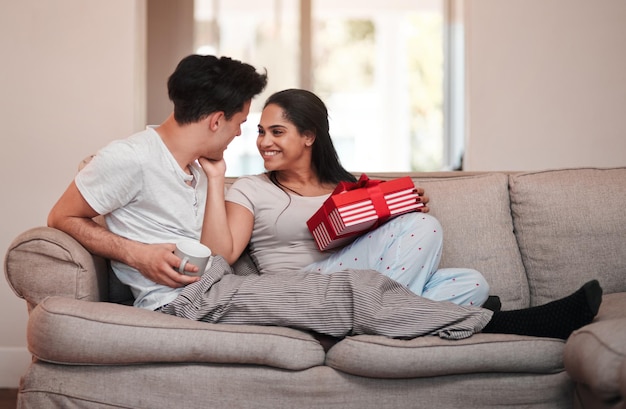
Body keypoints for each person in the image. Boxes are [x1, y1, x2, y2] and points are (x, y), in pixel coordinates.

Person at [48, 55, 601, 342]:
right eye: (243, 122)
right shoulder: (130, 157)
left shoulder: (195, 165)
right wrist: (136, 255)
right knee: (353, 291)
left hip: (221, 287)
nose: (245, 135)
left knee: (364, 288)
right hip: (186, 301)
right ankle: (509, 326)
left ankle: (459, 317)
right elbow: (63, 216)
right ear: (216, 118)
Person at [200, 89, 488, 307]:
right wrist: (215, 178)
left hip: (356, 287)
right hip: (301, 288)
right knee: (423, 226)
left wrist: (401, 209)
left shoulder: (347, 187)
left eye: (277, 132)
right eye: (261, 132)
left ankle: (378, 316)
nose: (264, 142)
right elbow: (219, 256)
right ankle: (387, 314)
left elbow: (381, 250)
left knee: (472, 283)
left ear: (309, 137)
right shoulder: (250, 188)